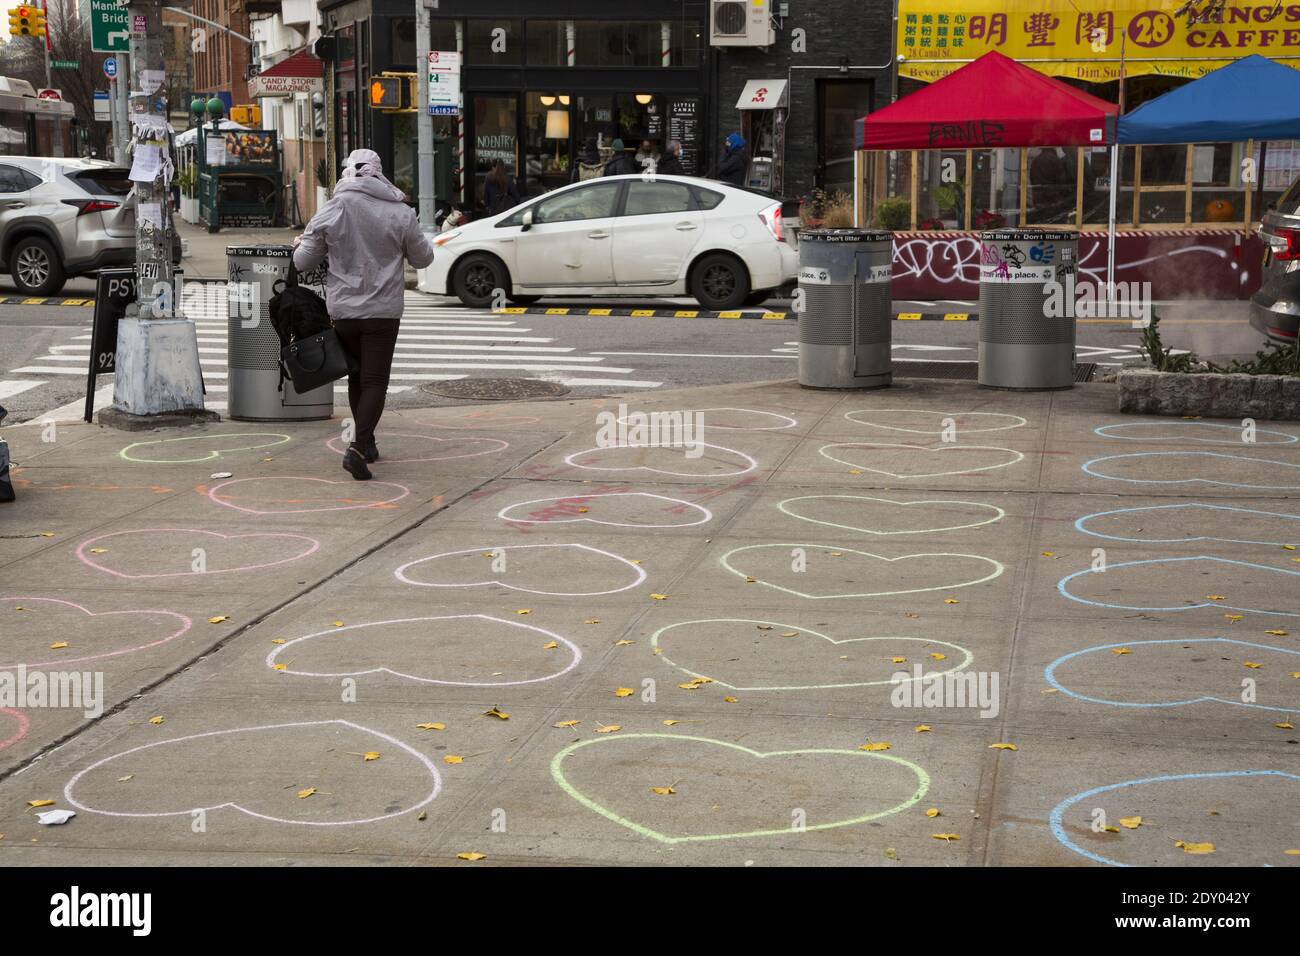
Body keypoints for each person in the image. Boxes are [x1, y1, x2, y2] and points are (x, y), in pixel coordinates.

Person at [293, 148, 435, 482]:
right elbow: (423, 259)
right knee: (374, 380)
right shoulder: (400, 213)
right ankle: (357, 448)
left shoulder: (334, 208)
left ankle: (367, 442)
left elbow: (302, 262)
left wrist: (304, 242)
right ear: (379, 173)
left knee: (357, 377)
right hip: (383, 311)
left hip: (344, 310)